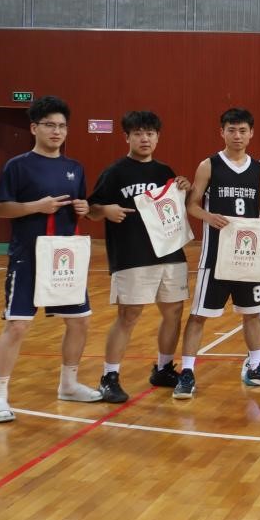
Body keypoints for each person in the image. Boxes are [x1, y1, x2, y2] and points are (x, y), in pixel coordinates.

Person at [0, 96, 102, 423]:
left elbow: (84, 207)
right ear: (34, 128)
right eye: (49, 125)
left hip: (64, 257)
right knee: (17, 326)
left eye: (62, 126)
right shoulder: (17, 166)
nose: (56, 131)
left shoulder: (74, 168)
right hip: (28, 257)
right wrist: (36, 206)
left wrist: (84, 208)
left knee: (79, 322)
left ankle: (69, 384)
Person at [175, 107, 260, 399]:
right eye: (231, 130)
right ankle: (187, 371)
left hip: (248, 256)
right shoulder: (209, 165)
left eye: (242, 130)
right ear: (221, 132)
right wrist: (208, 217)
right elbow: (192, 204)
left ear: (251, 133)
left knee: (253, 313)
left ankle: (256, 365)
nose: (237, 135)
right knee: (199, 315)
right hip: (216, 255)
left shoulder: (259, 169)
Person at [86, 111, 192, 403]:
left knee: (173, 312)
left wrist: (185, 186)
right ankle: (109, 376)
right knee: (129, 315)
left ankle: (163, 368)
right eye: (138, 133)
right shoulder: (115, 172)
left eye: (150, 133)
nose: (145, 139)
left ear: (157, 137)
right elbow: (92, 208)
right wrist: (105, 211)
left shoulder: (164, 171)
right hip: (132, 254)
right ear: (127, 137)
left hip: (170, 253)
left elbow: (175, 205)